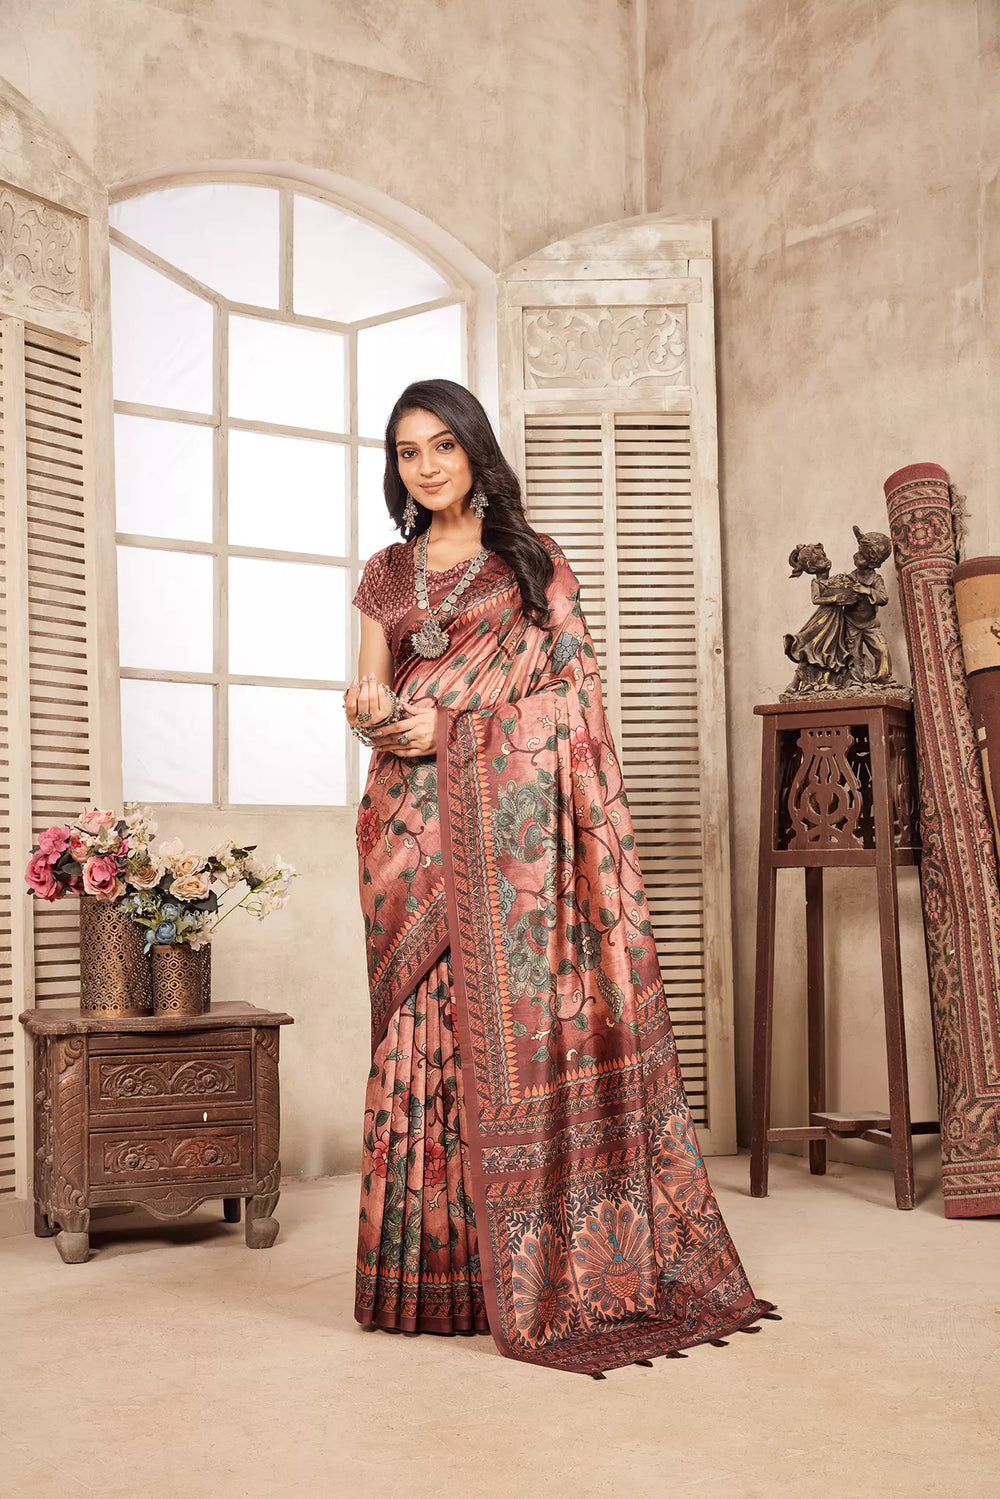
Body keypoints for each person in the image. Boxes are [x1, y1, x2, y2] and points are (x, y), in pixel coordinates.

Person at [345, 378, 774, 1376]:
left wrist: (455, 727)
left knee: (495, 1033)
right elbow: (363, 685)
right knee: (419, 1030)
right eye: (407, 451)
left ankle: (520, 1274)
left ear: (475, 450)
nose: (426, 465)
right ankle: (427, 1281)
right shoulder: (383, 572)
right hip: (404, 822)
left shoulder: (530, 565)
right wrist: (370, 710)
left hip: (507, 833)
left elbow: (577, 705)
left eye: (442, 445)